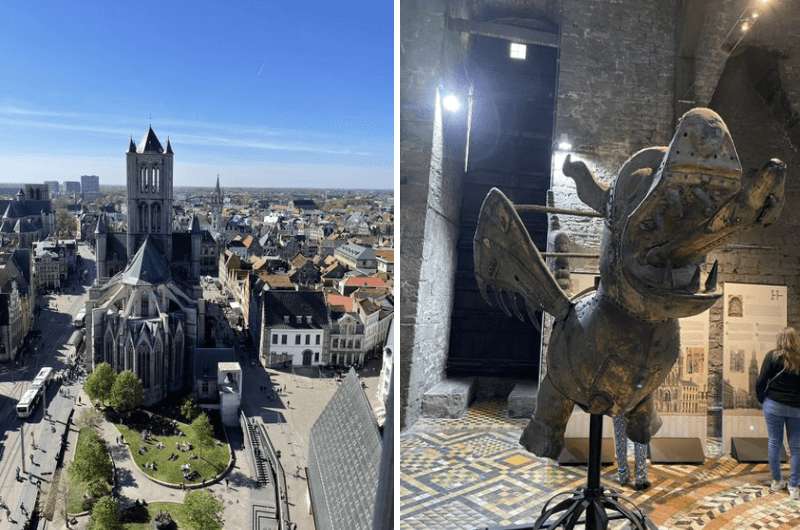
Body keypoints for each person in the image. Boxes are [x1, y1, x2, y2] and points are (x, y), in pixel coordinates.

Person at [757, 327, 800, 500]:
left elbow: (761, 380)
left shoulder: (772, 356)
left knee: (774, 442)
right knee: (796, 447)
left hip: (774, 405)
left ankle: (776, 480)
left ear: (780, 339)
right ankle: (794, 486)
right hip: (797, 408)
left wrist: (762, 399)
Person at [612, 415, 650, 490]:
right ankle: (640, 478)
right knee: (641, 436)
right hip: (638, 405)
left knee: (620, 436)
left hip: (619, 405)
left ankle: (622, 475)